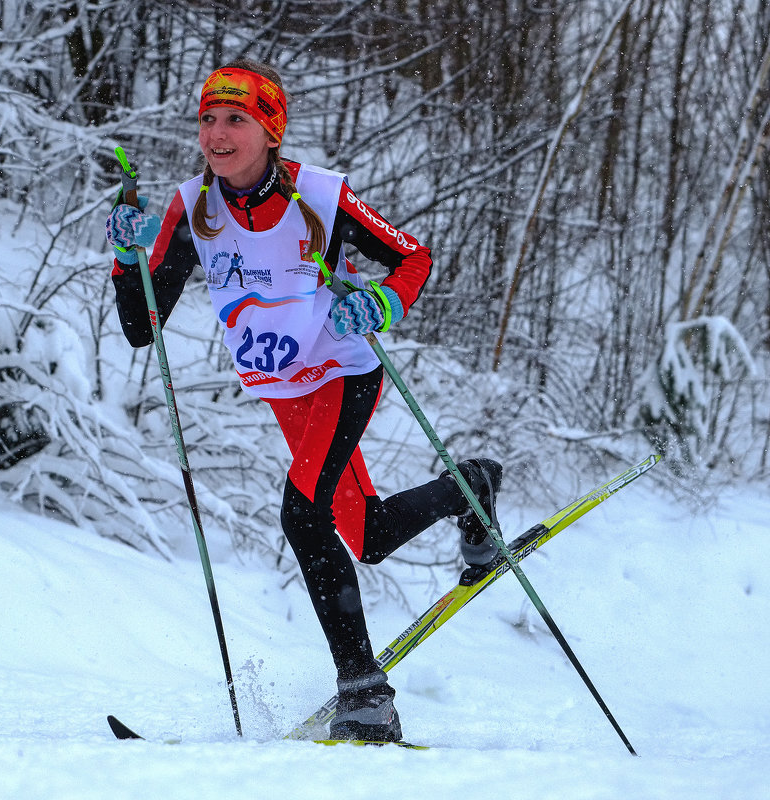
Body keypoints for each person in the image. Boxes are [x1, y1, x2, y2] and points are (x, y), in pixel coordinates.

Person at [104, 59, 503, 743]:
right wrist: (126, 258)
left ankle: (365, 694)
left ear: (270, 130)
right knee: (367, 537)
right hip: (287, 392)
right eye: (208, 119)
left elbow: (414, 259)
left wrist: (380, 303)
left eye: (237, 119)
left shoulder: (320, 196)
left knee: (300, 511)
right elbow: (143, 330)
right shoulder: (188, 208)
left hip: (343, 374)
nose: (218, 134)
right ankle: (472, 488)